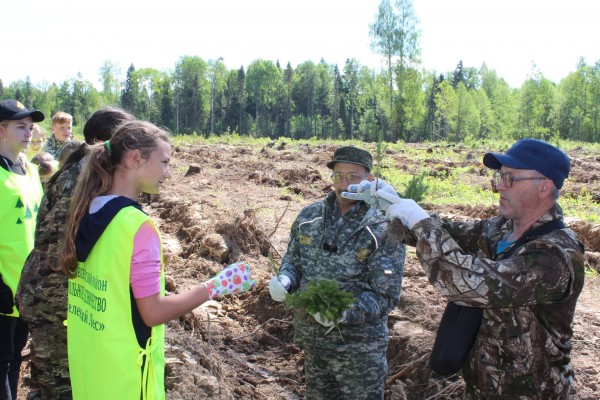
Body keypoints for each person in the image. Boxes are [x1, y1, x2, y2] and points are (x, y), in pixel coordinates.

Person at [351, 138, 585, 399]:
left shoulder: (554, 256)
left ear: (544, 187)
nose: (498, 187)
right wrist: (394, 206)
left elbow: (468, 281)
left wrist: (421, 223)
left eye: (509, 179)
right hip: (480, 388)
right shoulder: (500, 229)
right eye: (498, 177)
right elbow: (447, 233)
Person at [59, 120, 255, 399]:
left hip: (91, 367)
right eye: (164, 162)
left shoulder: (88, 209)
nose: (169, 173)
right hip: (126, 376)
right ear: (135, 158)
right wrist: (214, 287)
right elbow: (152, 313)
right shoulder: (137, 226)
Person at [268, 145, 406, 399]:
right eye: (338, 176)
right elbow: (294, 261)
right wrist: (286, 279)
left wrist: (344, 313)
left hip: (359, 351)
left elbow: (385, 294)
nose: (344, 184)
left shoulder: (383, 225)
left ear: (370, 180)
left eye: (353, 177)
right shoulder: (310, 216)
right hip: (314, 342)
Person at [16, 106, 135, 399]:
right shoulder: (83, 179)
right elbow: (57, 248)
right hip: (55, 302)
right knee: (60, 386)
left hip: (62, 300)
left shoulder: (89, 171)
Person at [0, 99, 45, 400]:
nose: (28, 133)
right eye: (20, 126)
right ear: (1, 129)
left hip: (25, 291)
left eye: (30, 127)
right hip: (2, 290)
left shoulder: (29, 171)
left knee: (15, 359)